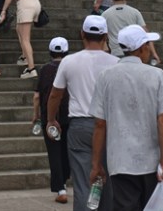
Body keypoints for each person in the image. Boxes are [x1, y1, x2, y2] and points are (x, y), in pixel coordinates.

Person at [90, 25, 163, 210]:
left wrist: (96, 164)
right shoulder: (157, 75)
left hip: (120, 161)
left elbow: (99, 124)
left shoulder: (106, 77)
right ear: (141, 48)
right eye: (147, 44)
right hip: (151, 161)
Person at [47, 16, 118, 211]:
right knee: (108, 180)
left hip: (80, 125)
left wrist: (51, 119)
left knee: (83, 182)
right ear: (105, 36)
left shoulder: (69, 61)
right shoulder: (116, 63)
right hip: (109, 125)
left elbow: (55, 95)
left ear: (82, 35)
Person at [34, 37, 71, 204]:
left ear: (50, 52)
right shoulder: (70, 67)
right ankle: (67, 177)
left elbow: (36, 96)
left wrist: (36, 115)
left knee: (54, 152)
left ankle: (61, 188)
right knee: (68, 151)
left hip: (49, 117)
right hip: (69, 115)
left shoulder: (44, 70)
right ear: (66, 52)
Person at [101, 0, 160, 64]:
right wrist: (154, 53)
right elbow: (145, 34)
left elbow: (102, 36)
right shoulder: (135, 12)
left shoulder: (105, 14)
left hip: (115, 54)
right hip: (134, 53)